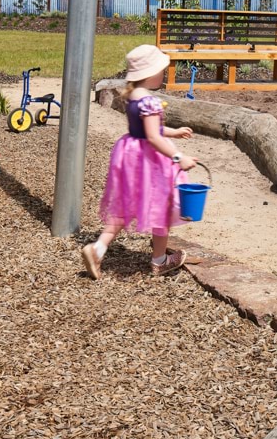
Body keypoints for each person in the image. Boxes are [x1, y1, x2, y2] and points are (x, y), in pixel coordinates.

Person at [82, 44, 197, 281]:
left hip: (129, 155)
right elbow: (153, 137)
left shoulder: (133, 96)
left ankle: (98, 248)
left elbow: (146, 130)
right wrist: (179, 157)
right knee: (161, 207)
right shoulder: (151, 102)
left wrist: (173, 132)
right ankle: (159, 261)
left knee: (125, 205)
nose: (163, 74)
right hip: (149, 162)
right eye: (162, 70)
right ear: (151, 74)